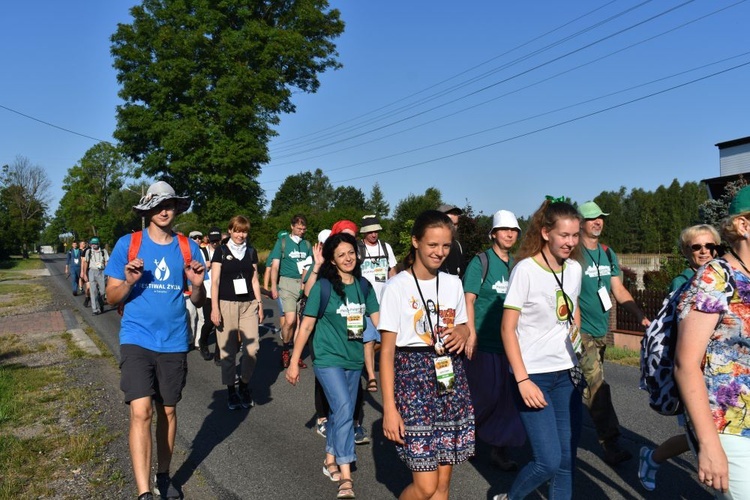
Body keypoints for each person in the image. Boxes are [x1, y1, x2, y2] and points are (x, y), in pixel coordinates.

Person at [104, 180, 206, 500]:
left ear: (177, 208)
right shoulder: (128, 245)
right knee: (141, 411)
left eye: (170, 204)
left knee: (168, 412)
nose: (165, 210)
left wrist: (197, 285)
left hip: (174, 341)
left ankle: (163, 475)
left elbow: (200, 301)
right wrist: (130, 282)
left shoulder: (189, 247)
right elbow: (111, 296)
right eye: (158, 205)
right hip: (136, 338)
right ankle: (144, 492)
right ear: (148, 209)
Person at [380, 209, 474, 500]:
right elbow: (386, 354)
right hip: (412, 383)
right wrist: (389, 408)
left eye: (445, 245)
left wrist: (463, 332)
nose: (440, 252)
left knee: (442, 487)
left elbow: (463, 326)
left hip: (449, 380)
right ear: (415, 242)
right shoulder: (396, 287)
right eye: (433, 245)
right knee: (425, 487)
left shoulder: (453, 283)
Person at [498, 198, 584, 500]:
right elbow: (507, 328)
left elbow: (573, 308)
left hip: (567, 374)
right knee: (547, 461)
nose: (571, 242)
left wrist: (576, 331)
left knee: (565, 462)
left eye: (575, 236)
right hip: (534, 376)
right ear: (547, 232)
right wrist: (522, 379)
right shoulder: (525, 270)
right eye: (564, 235)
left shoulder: (574, 269)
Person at [286, 232, 380, 500]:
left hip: (354, 359)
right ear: (333, 260)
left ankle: (330, 459)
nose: (348, 258)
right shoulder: (323, 287)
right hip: (327, 358)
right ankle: (346, 477)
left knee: (342, 411)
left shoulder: (364, 287)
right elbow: (306, 326)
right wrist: (294, 362)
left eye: (351, 252)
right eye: (341, 255)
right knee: (344, 409)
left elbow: (380, 321)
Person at [672, 187, 750, 499]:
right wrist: (708, 445)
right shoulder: (716, 277)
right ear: (743, 226)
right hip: (726, 423)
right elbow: (685, 364)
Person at [638, 223, 721, 491]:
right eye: (697, 247)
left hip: (722, 368)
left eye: (710, 246)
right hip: (694, 370)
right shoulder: (684, 282)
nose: (705, 251)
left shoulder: (724, 278)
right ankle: (652, 457)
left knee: (709, 432)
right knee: (702, 433)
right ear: (686, 251)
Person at [577, 200, 649, 465]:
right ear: (581, 223)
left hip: (600, 331)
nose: (598, 222)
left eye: (601, 218)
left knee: (584, 384)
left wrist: (639, 314)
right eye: (592, 218)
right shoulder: (572, 253)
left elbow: (617, 290)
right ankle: (611, 442)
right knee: (598, 385)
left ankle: (565, 419)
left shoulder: (608, 253)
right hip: (580, 331)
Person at [463, 209, 526, 471]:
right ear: (494, 234)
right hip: (484, 342)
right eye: (505, 230)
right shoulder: (481, 262)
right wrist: (471, 333)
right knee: (485, 395)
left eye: (514, 230)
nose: (510, 234)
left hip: (510, 344)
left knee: (507, 400)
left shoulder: (518, 265)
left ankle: (499, 450)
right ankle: (471, 436)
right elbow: (469, 299)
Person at [210, 216, 264, 410]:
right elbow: (215, 282)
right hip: (226, 304)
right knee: (228, 351)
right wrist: (215, 308)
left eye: (244, 231)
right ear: (230, 231)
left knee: (252, 349)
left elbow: (254, 280)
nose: (241, 235)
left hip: (248, 304)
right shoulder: (221, 252)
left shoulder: (251, 252)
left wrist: (259, 304)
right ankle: (231, 390)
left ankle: (244, 385)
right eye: (237, 231)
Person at [358, 214, 398, 392]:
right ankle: (372, 377)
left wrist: (397, 291)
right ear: (364, 233)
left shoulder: (385, 247)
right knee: (368, 340)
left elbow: (392, 270)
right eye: (370, 232)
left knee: (386, 340)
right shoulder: (358, 249)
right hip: (365, 302)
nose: (374, 234)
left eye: (376, 231)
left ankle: (363, 359)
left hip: (385, 303)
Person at [270, 215, 312, 368]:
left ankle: (296, 355)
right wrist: (273, 286)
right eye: (299, 228)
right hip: (286, 283)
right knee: (290, 320)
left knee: (300, 323)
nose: (301, 231)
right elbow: (275, 266)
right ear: (292, 227)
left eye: (303, 228)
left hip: (302, 285)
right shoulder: (282, 242)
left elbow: (311, 267)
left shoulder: (307, 245)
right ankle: (285, 348)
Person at [196, 226, 221, 361]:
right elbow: (192, 268)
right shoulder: (202, 252)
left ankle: (218, 353)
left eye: (217, 240)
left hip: (221, 291)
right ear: (208, 239)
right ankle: (203, 342)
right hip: (207, 292)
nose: (215, 243)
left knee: (221, 324)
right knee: (210, 322)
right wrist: (204, 266)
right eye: (212, 240)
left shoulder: (223, 251)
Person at [186, 230, 205, 348]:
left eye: (199, 237)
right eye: (194, 237)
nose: (197, 239)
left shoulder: (205, 251)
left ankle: (198, 341)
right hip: (188, 290)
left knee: (202, 317)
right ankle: (190, 339)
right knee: (191, 316)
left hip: (203, 288)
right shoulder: (187, 252)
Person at [83, 237, 109, 315]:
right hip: (92, 271)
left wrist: (108, 274)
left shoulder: (104, 251)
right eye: (92, 244)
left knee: (103, 291)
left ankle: (100, 304)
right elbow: (86, 262)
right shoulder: (89, 251)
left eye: (95, 244)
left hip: (101, 272)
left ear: (98, 244)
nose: (93, 245)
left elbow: (107, 262)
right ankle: (95, 309)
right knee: (93, 291)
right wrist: (84, 273)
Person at [437, 204, 465, 277]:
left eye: (455, 224)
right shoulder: (428, 247)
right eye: (449, 223)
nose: (453, 227)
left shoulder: (457, 246)